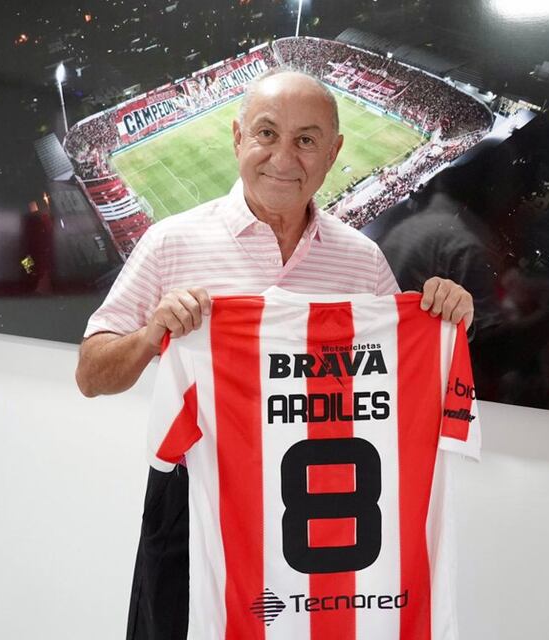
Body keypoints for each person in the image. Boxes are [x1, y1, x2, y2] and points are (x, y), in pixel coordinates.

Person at [75, 68, 474, 640]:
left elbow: (400, 385)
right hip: (198, 501)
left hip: (322, 507)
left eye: (306, 140)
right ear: (238, 137)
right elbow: (91, 375)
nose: (283, 157)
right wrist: (149, 336)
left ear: (333, 153)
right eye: (266, 133)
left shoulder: (361, 261)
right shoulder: (172, 242)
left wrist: (442, 318)